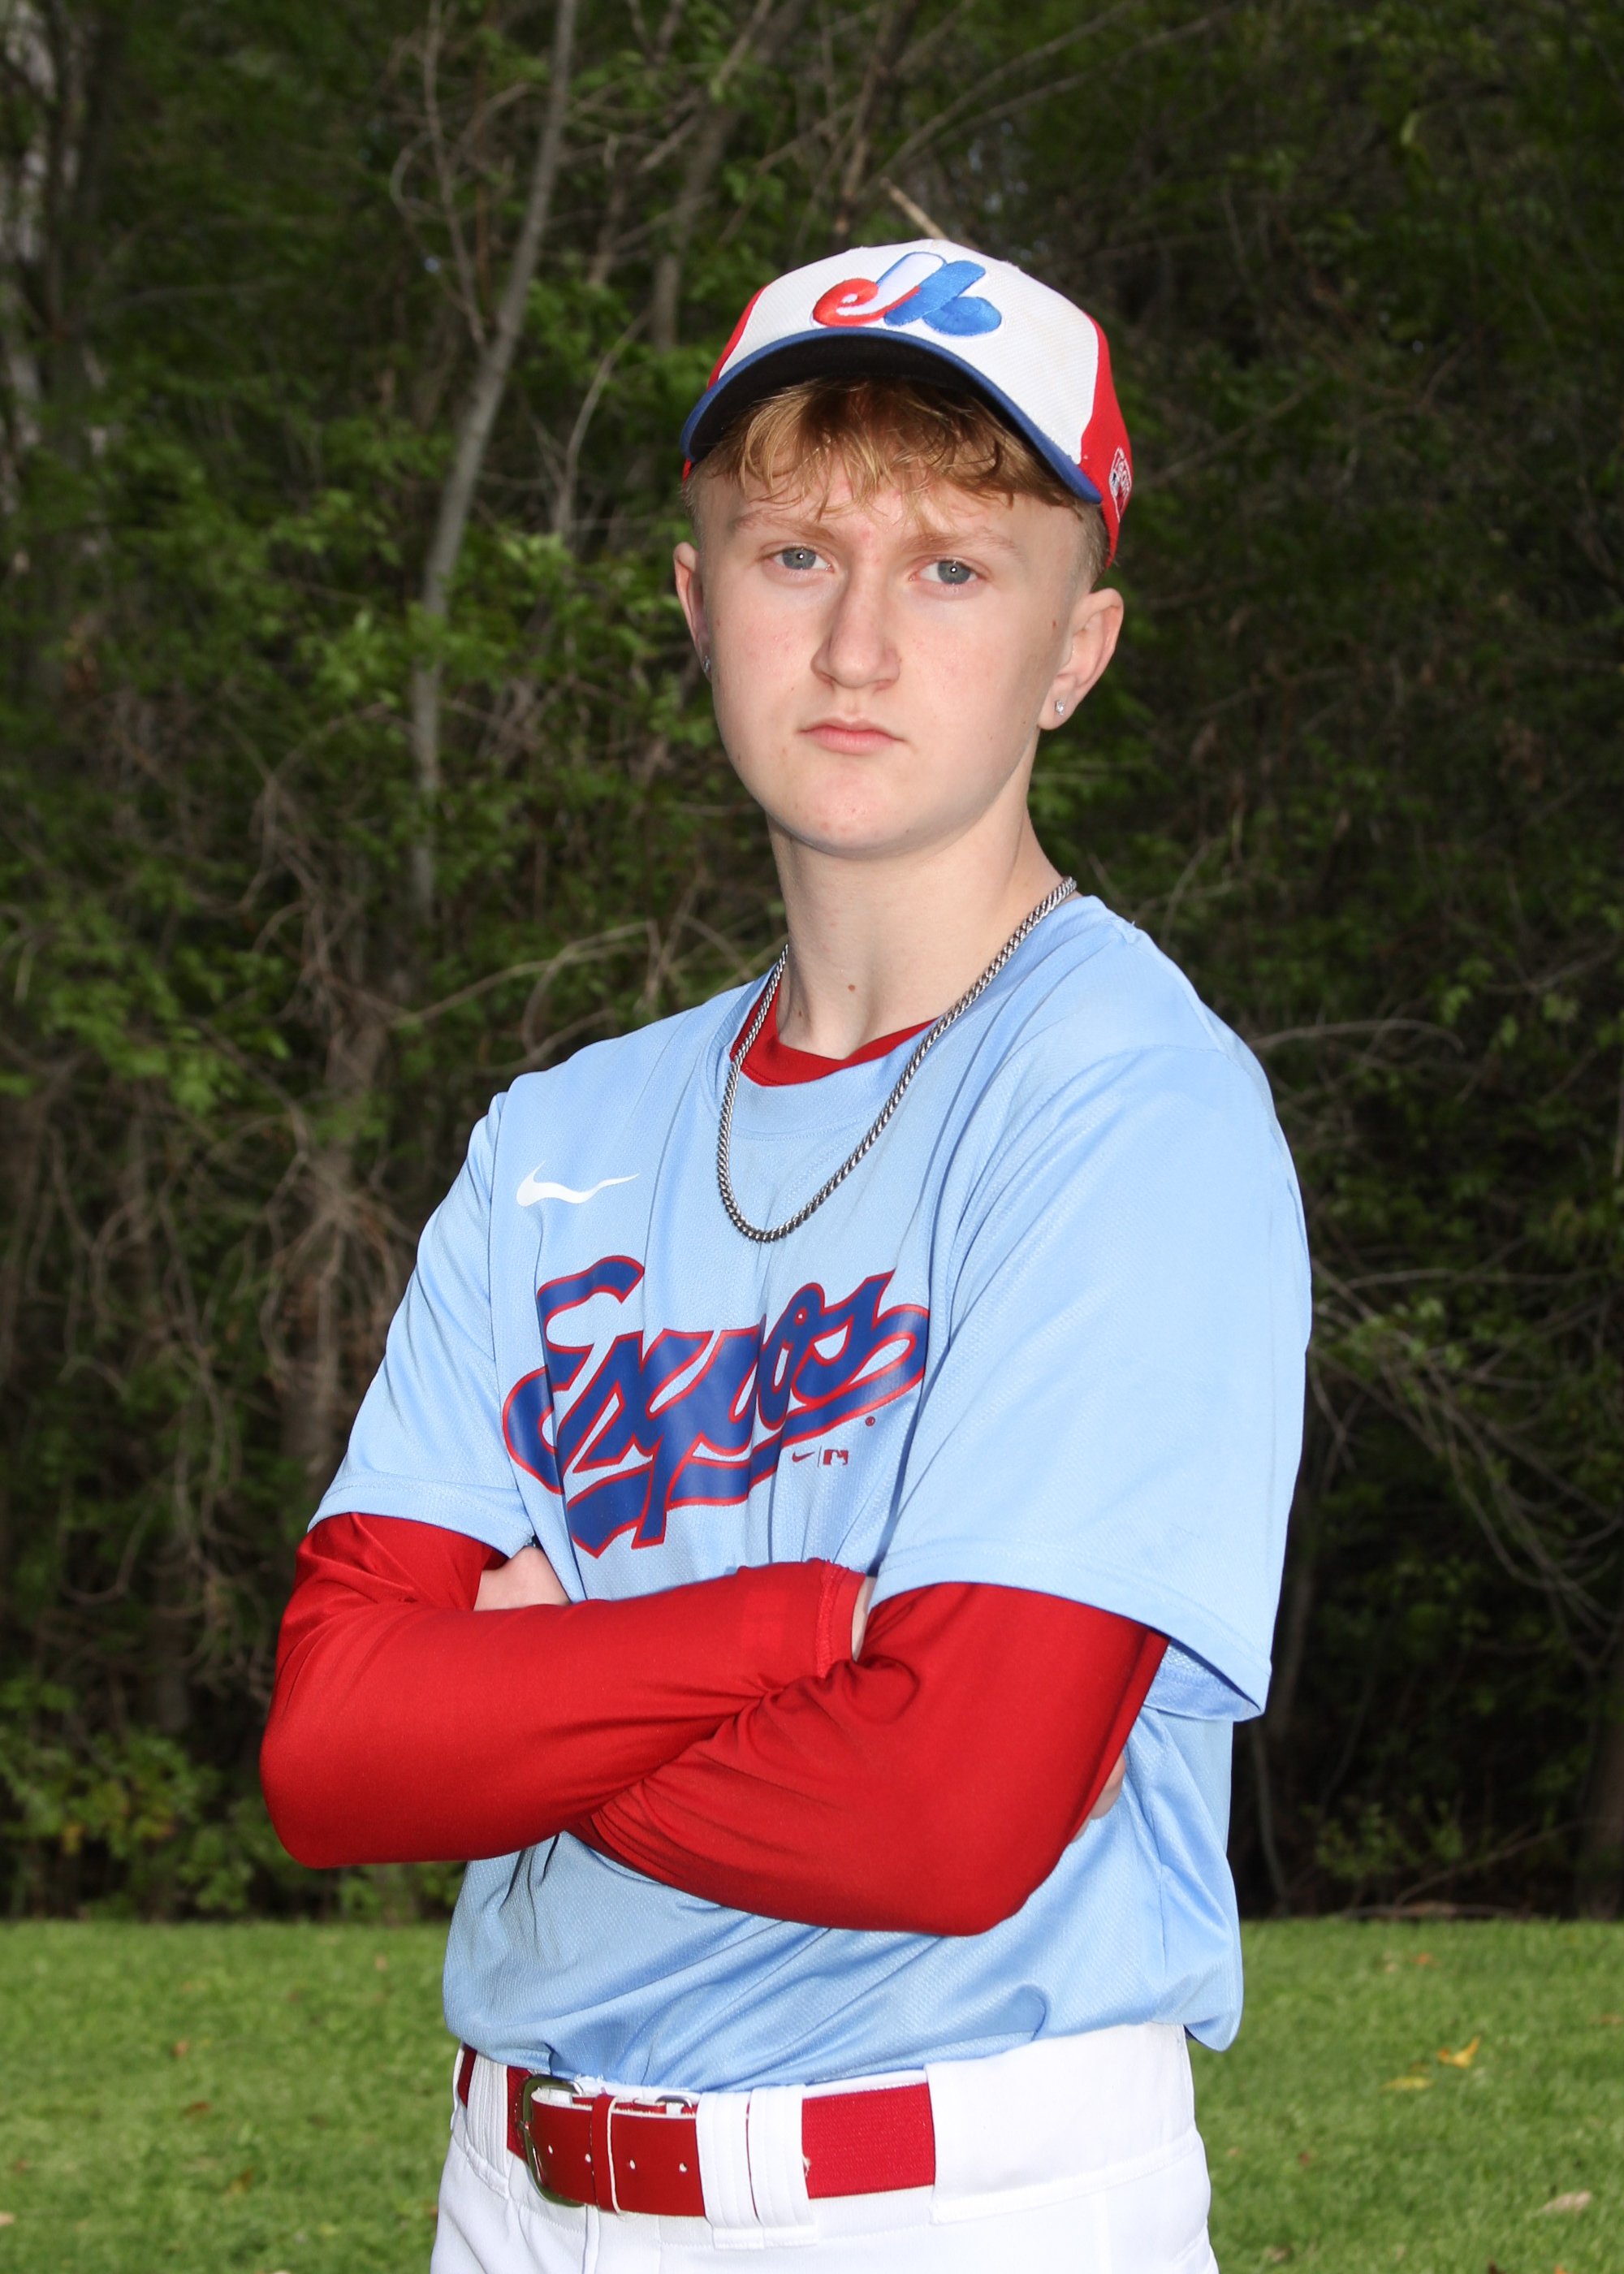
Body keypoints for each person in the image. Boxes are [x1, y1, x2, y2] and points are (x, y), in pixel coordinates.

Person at [261, 238, 1310, 2273]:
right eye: (793, 554)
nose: (854, 644)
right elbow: (334, 1749)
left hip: (947, 2206)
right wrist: (808, 1627)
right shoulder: (558, 1137)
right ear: (694, 600)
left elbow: (948, 1806)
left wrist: (517, 1704)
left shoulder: (1127, 1101)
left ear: (1076, 647)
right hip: (514, 2203)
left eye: (953, 568)